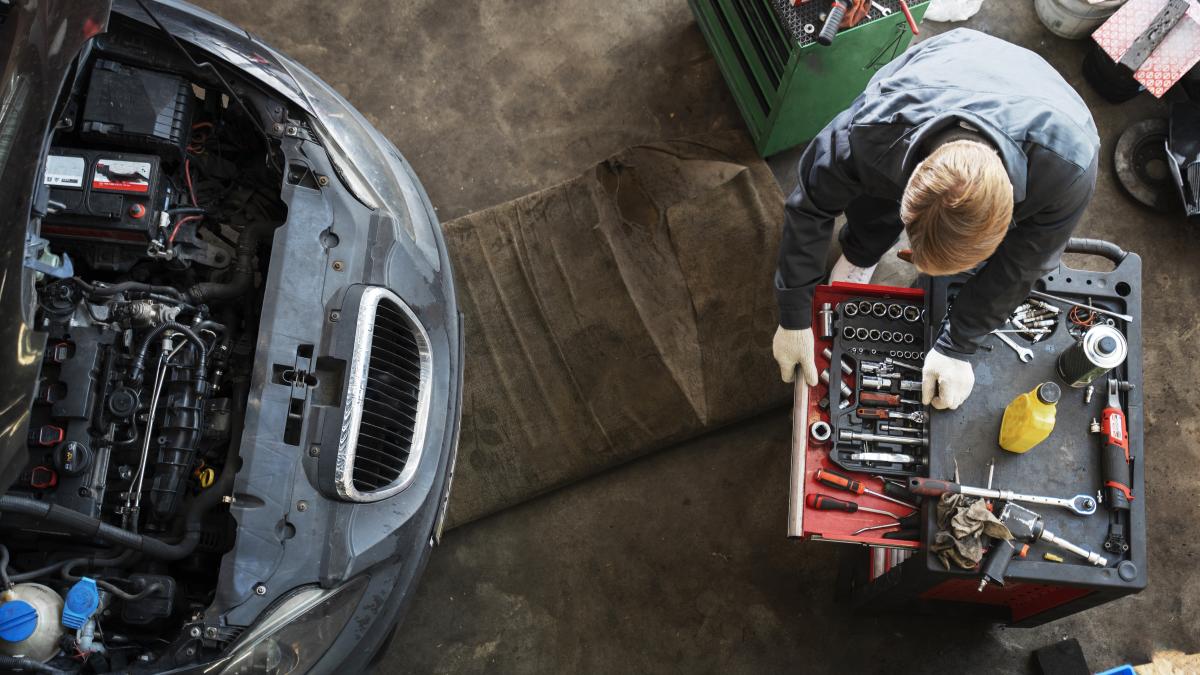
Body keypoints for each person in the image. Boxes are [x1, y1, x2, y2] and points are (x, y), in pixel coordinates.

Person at [771, 28, 1099, 410]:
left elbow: (1021, 266)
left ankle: (869, 249)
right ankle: (862, 251)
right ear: (909, 190)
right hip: (951, 61)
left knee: (1019, 264)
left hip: (1047, 105)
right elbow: (810, 205)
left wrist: (958, 344)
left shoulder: (1068, 173)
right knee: (872, 202)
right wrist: (794, 314)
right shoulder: (872, 130)